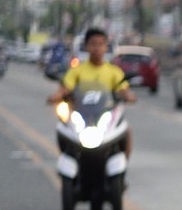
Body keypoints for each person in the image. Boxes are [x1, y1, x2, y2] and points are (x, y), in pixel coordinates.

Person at [49, 27, 136, 155]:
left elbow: (123, 89)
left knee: (126, 130)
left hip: (105, 115)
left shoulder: (114, 71)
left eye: (101, 44)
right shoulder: (77, 71)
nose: (97, 48)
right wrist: (56, 96)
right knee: (62, 128)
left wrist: (129, 96)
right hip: (81, 114)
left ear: (106, 47)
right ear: (87, 46)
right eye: (93, 44)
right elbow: (65, 89)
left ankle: (122, 166)